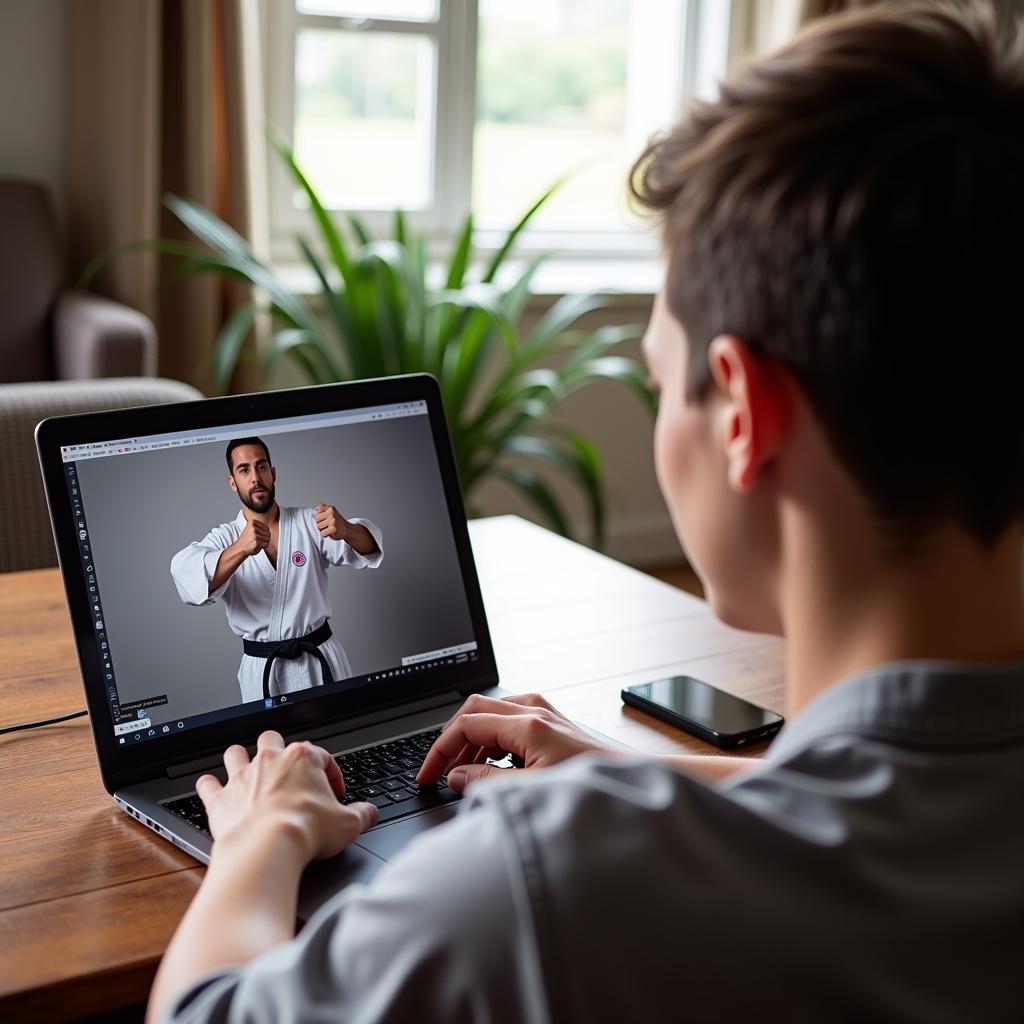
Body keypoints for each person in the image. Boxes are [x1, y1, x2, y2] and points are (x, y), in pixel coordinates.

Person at [149, 4, 1024, 1021]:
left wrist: (262, 837)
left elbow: (200, 1011)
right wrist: (653, 779)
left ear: (741, 412)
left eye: (660, 384)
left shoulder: (541, 889)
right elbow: (890, 815)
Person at [170, 437, 382, 702]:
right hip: (263, 670)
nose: (255, 478)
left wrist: (347, 529)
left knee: (340, 739)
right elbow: (186, 575)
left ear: (273, 473)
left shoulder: (309, 521)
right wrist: (240, 548)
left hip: (320, 659)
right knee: (270, 744)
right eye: (244, 470)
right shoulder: (225, 539)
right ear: (232, 482)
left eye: (261, 467)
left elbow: (368, 548)